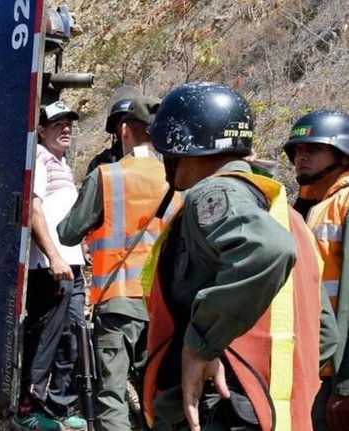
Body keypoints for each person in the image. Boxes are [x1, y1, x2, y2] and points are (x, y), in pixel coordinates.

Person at [141, 82, 335, 431]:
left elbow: (265, 251)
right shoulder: (285, 213)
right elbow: (325, 336)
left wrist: (203, 346)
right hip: (273, 415)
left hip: (220, 412)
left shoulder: (214, 192)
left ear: (183, 147)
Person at [57, 95, 175, 430]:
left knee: (111, 395)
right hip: (164, 303)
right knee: (159, 391)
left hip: (118, 302)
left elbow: (68, 232)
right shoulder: (180, 176)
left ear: (124, 129)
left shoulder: (107, 176)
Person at [15, 100, 86, 431]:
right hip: (50, 268)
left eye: (69, 123)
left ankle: (57, 405)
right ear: (42, 131)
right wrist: (55, 258)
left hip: (71, 267)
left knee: (69, 337)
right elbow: (33, 211)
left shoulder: (62, 163)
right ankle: (26, 410)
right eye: (58, 124)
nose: (66, 128)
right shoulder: (40, 160)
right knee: (44, 339)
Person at [282, 110, 349, 431]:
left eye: (312, 149)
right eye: (296, 150)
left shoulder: (344, 205)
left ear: (342, 155)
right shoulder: (309, 208)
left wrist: (345, 384)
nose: (300, 157)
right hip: (312, 364)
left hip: (336, 372)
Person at [85, 85, 143, 174]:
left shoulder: (155, 159)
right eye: (122, 122)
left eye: (131, 122)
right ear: (115, 127)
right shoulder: (100, 163)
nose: (126, 127)